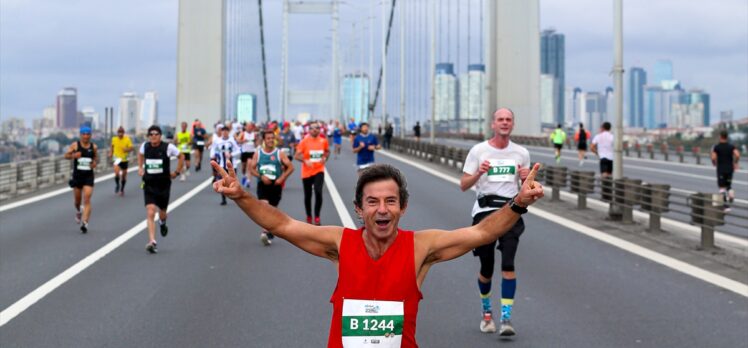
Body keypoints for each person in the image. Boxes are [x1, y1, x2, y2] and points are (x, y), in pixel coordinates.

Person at [210, 161, 544, 347]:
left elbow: (481, 232)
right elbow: (282, 224)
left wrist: (518, 202)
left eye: (390, 201)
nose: (381, 210)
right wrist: (241, 196)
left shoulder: (421, 247)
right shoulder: (339, 243)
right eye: (372, 202)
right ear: (358, 209)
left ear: (403, 207)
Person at [460, 108, 531, 337]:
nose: (504, 122)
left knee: (508, 264)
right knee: (486, 267)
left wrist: (526, 180)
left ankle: (506, 318)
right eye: (500, 119)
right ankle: (486, 311)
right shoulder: (479, 151)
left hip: (511, 210)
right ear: (493, 124)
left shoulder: (521, 153)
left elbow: (526, 189)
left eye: (508, 119)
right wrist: (478, 174)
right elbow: (463, 184)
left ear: (513, 124)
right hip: (484, 213)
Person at [138, 125, 184, 253]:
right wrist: (140, 167)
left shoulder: (168, 147)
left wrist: (177, 172)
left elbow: (181, 156)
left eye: (156, 134)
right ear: (148, 136)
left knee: (162, 212)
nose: (153, 136)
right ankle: (152, 241)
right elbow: (140, 155)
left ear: (160, 136)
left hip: (163, 185)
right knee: (151, 211)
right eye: (151, 134)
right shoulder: (145, 146)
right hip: (149, 184)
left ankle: (162, 223)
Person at [250, 130, 294, 245]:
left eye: (272, 138)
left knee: (273, 210)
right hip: (263, 185)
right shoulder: (258, 153)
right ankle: (265, 231)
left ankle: (270, 230)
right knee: (264, 207)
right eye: (268, 138)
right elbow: (251, 169)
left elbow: (290, 167)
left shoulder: (279, 153)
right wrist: (261, 176)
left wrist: (282, 178)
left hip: (275, 185)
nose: (270, 140)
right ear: (264, 140)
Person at [295, 121, 330, 225]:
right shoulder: (304, 142)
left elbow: (327, 152)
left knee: (318, 192)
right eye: (312, 128)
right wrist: (305, 160)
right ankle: (309, 216)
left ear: (320, 130)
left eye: (317, 128)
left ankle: (317, 216)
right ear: (309, 130)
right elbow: (297, 155)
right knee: (308, 195)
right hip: (306, 172)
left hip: (319, 170)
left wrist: (324, 158)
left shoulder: (323, 141)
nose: (315, 130)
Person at [64, 126, 98, 233]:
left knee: (87, 199)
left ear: (90, 135)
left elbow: (96, 158)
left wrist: (94, 163)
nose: (86, 136)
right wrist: (74, 155)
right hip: (77, 177)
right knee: (77, 201)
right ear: (80, 135)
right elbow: (66, 156)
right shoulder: (75, 145)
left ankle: (85, 223)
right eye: (84, 134)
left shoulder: (94, 147)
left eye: (88, 134)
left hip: (88, 176)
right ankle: (79, 210)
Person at [211, 125, 241, 205]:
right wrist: (213, 156)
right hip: (222, 165)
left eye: (226, 131)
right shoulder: (217, 141)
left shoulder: (232, 141)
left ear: (228, 132)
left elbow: (239, 150)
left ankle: (235, 196)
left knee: (232, 182)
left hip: (232, 166)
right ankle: (223, 199)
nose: (224, 133)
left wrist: (231, 154)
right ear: (221, 132)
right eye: (223, 131)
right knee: (223, 182)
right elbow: (213, 150)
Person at [711, 130, 740, 211]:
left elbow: (713, 157)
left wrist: (714, 162)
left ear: (720, 136)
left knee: (722, 188)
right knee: (728, 185)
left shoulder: (717, 147)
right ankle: (730, 192)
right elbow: (737, 154)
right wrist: (735, 162)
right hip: (730, 169)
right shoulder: (731, 146)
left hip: (721, 169)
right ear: (727, 137)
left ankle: (725, 206)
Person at [110, 126, 132, 196]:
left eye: (121, 132)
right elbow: (112, 146)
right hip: (117, 158)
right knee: (116, 173)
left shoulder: (127, 139)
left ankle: (122, 189)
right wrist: (111, 153)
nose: (120, 134)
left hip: (124, 159)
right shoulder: (114, 139)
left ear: (123, 133)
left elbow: (131, 148)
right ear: (117, 133)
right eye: (119, 132)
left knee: (124, 175)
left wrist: (127, 149)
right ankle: (117, 185)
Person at [238, 122, 258, 188]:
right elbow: (238, 141)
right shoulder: (243, 133)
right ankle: (244, 175)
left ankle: (248, 181)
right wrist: (243, 141)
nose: (249, 128)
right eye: (248, 126)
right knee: (243, 168)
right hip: (244, 152)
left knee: (249, 165)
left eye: (250, 126)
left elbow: (257, 144)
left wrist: (255, 142)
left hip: (251, 152)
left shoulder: (254, 134)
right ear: (246, 127)